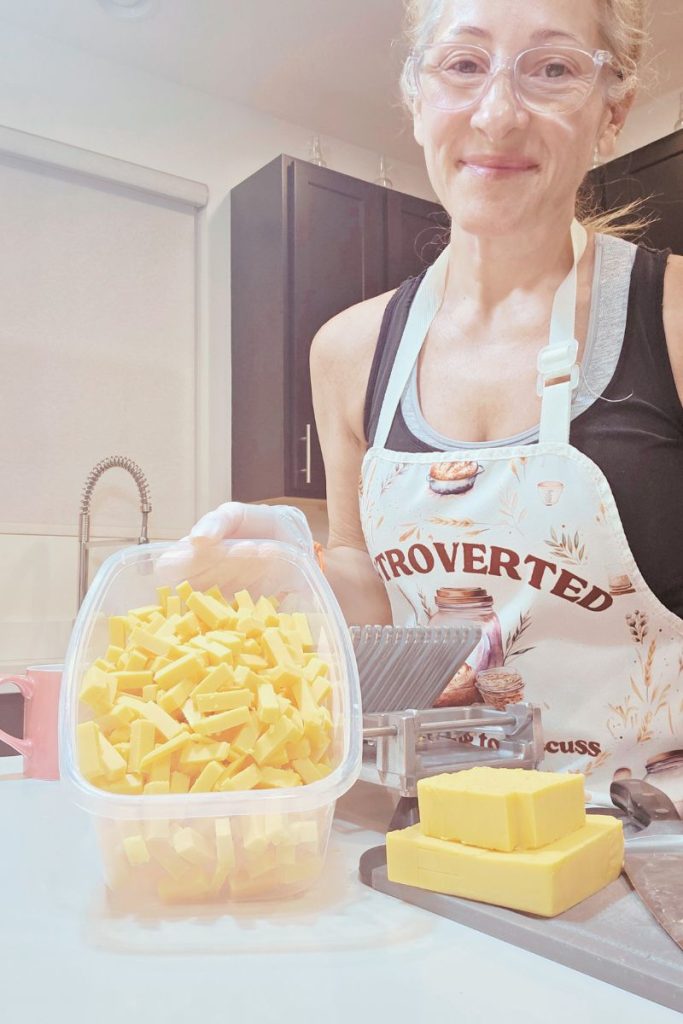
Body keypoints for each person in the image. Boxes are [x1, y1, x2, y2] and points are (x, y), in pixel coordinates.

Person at [188, 0, 683, 796]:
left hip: (648, 849)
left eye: (552, 69)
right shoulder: (347, 350)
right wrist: (293, 574)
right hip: (428, 829)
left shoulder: (669, 317)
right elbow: (368, 584)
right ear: (417, 97)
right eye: (463, 65)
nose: (496, 114)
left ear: (611, 112)